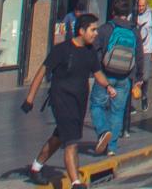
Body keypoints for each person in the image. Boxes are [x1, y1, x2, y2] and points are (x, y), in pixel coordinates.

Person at [22, 13, 115, 189]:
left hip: (79, 102)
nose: (96, 33)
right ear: (81, 30)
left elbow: (98, 74)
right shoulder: (62, 50)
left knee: (59, 137)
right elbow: (42, 71)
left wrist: (108, 87)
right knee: (71, 142)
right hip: (61, 100)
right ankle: (76, 183)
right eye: (93, 30)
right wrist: (30, 98)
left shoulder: (90, 53)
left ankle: (35, 168)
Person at [91, 0, 143, 156]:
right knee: (117, 112)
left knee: (96, 105)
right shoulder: (134, 30)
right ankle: (112, 148)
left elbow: (94, 49)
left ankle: (103, 131)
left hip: (105, 74)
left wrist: (96, 68)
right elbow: (139, 55)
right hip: (125, 77)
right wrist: (139, 78)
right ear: (127, 14)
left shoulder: (105, 28)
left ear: (113, 12)